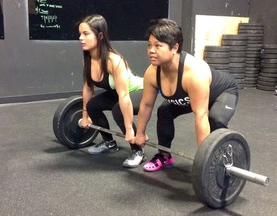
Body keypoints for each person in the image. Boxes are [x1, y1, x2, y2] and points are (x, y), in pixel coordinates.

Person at [132, 18, 239, 172]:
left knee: (215, 120)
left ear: (174, 47)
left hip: (221, 93)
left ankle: (220, 160)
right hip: (192, 96)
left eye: (158, 46)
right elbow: (146, 105)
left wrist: (204, 159)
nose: (151, 50)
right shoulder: (152, 72)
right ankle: (164, 156)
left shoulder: (194, 73)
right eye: (149, 45)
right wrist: (140, 133)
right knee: (164, 112)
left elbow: (200, 115)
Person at [78, 14, 146, 168]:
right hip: (119, 93)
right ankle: (109, 142)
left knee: (118, 111)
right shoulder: (87, 61)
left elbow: (123, 95)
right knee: (92, 106)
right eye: (80, 34)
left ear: (100, 35)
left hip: (139, 90)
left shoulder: (114, 61)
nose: (81, 38)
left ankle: (138, 151)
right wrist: (85, 116)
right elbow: (88, 88)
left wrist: (129, 128)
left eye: (86, 34)